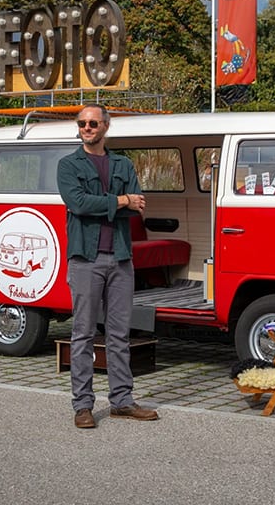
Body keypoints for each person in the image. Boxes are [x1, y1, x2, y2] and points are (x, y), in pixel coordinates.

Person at [56, 104, 159, 429]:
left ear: (105, 126)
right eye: (82, 123)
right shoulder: (68, 165)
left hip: (119, 258)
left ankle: (122, 402)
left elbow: (137, 207)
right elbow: (78, 203)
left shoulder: (122, 164)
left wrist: (120, 204)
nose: (87, 127)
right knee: (83, 334)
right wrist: (119, 201)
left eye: (92, 123)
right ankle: (83, 406)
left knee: (118, 334)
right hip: (85, 258)